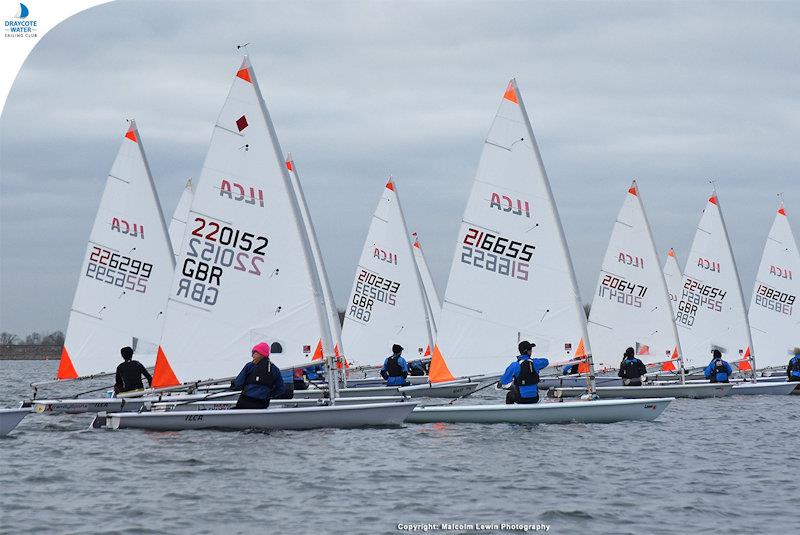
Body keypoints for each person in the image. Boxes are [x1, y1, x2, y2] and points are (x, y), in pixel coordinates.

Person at [231, 342, 285, 409]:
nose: (252, 355)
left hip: (244, 404)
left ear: (261, 354)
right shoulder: (275, 369)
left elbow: (238, 384)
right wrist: (269, 394)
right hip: (262, 406)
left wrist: (233, 385)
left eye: (254, 353)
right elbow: (281, 389)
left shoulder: (249, 366)